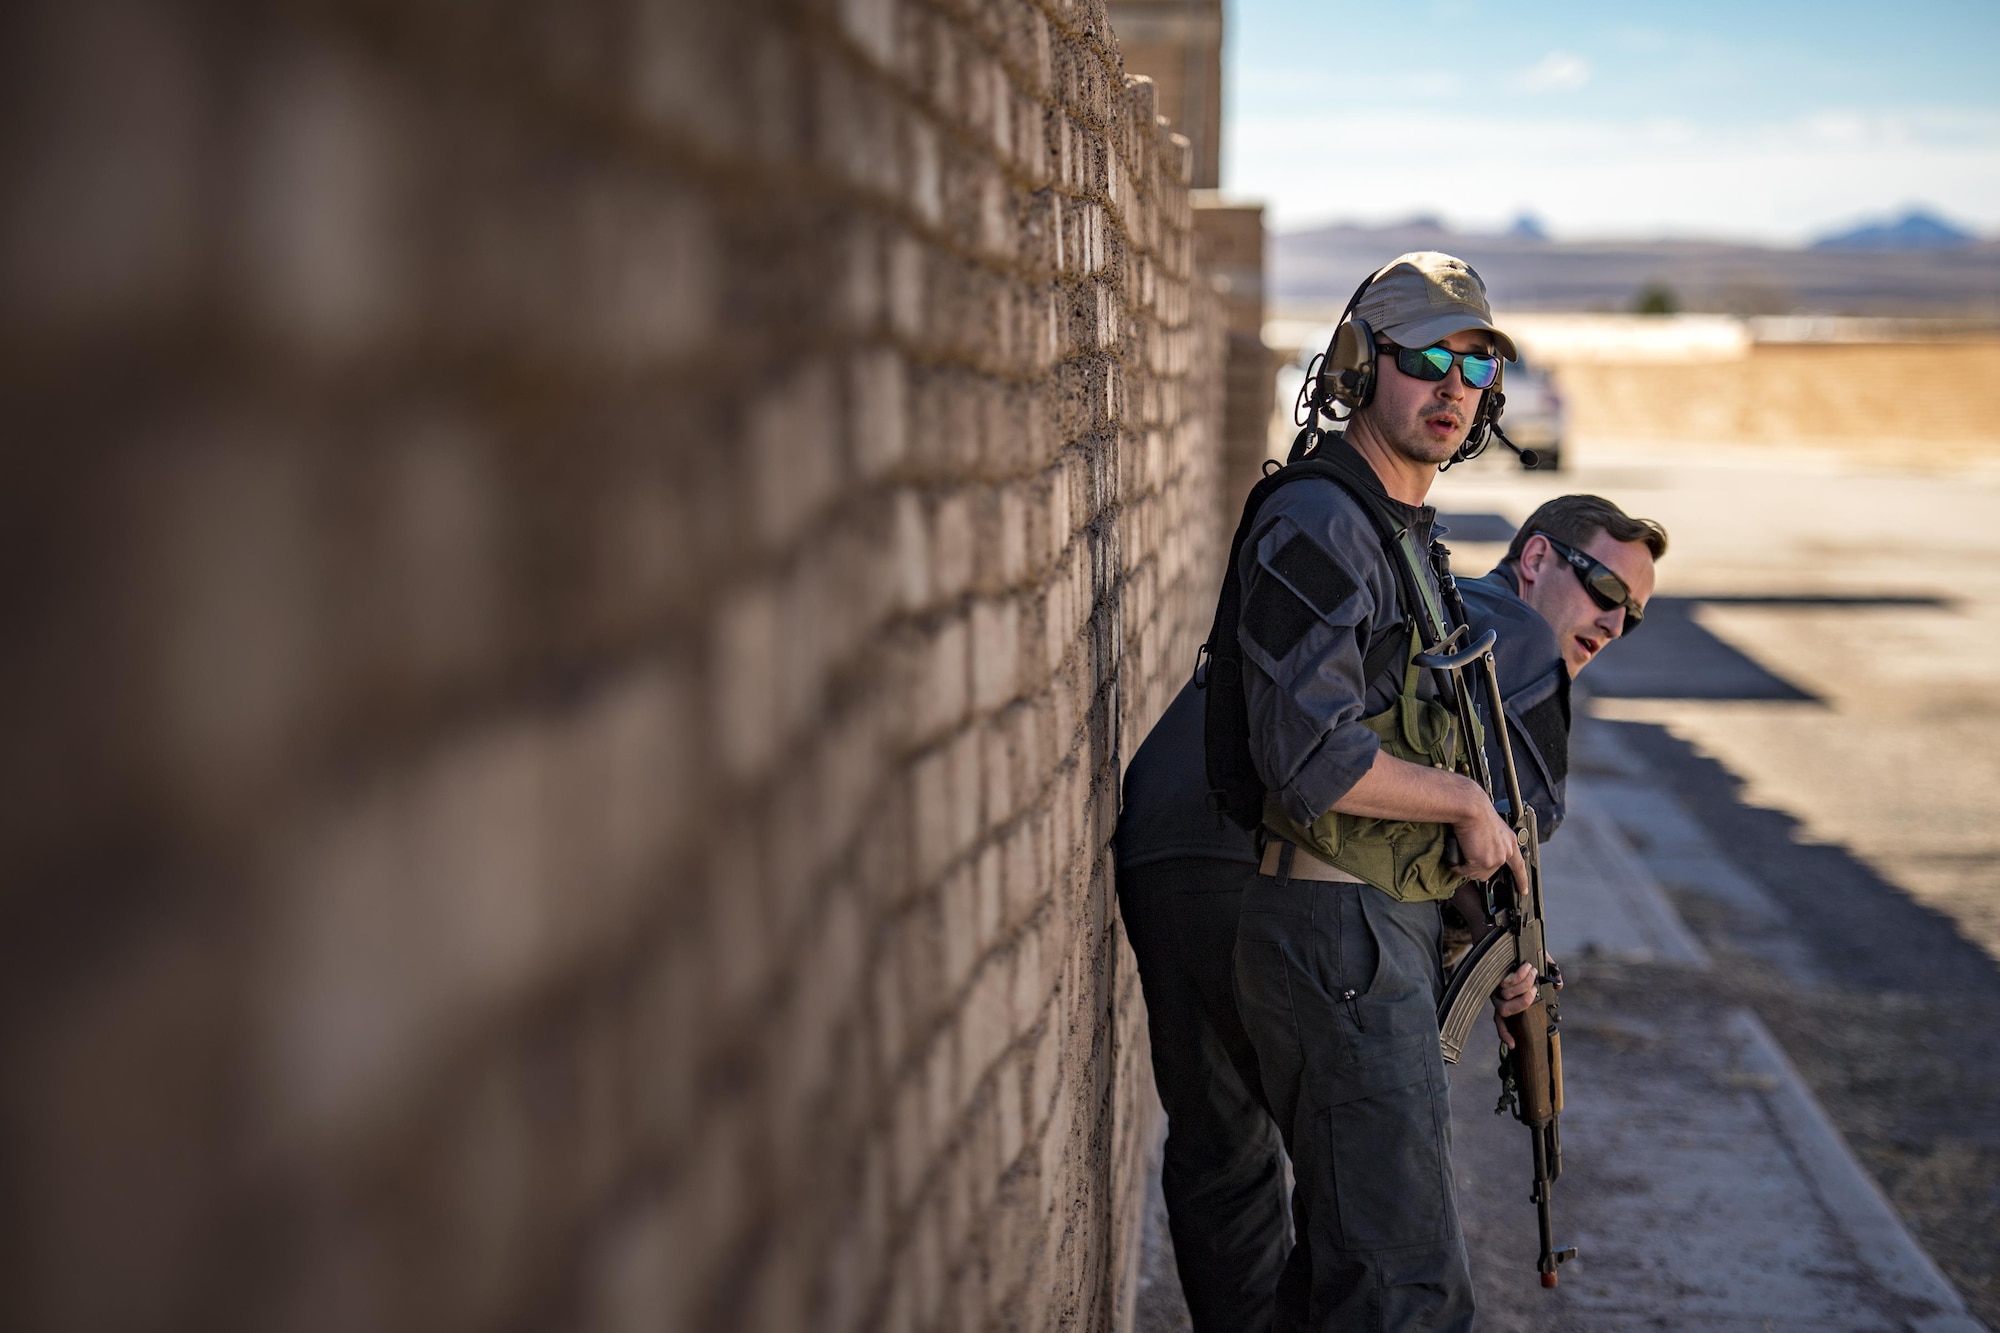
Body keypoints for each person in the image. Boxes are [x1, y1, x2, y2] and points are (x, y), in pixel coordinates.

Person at [1113, 252, 1665, 1333]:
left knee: (1280, 1202)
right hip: (1314, 910)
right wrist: (1466, 806)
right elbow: (1314, 756)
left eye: (1475, 368)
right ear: (1363, 366)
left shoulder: (1393, 536)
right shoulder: (1334, 522)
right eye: (1426, 360)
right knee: (1395, 1273)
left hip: (1220, 865)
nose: (1454, 387)